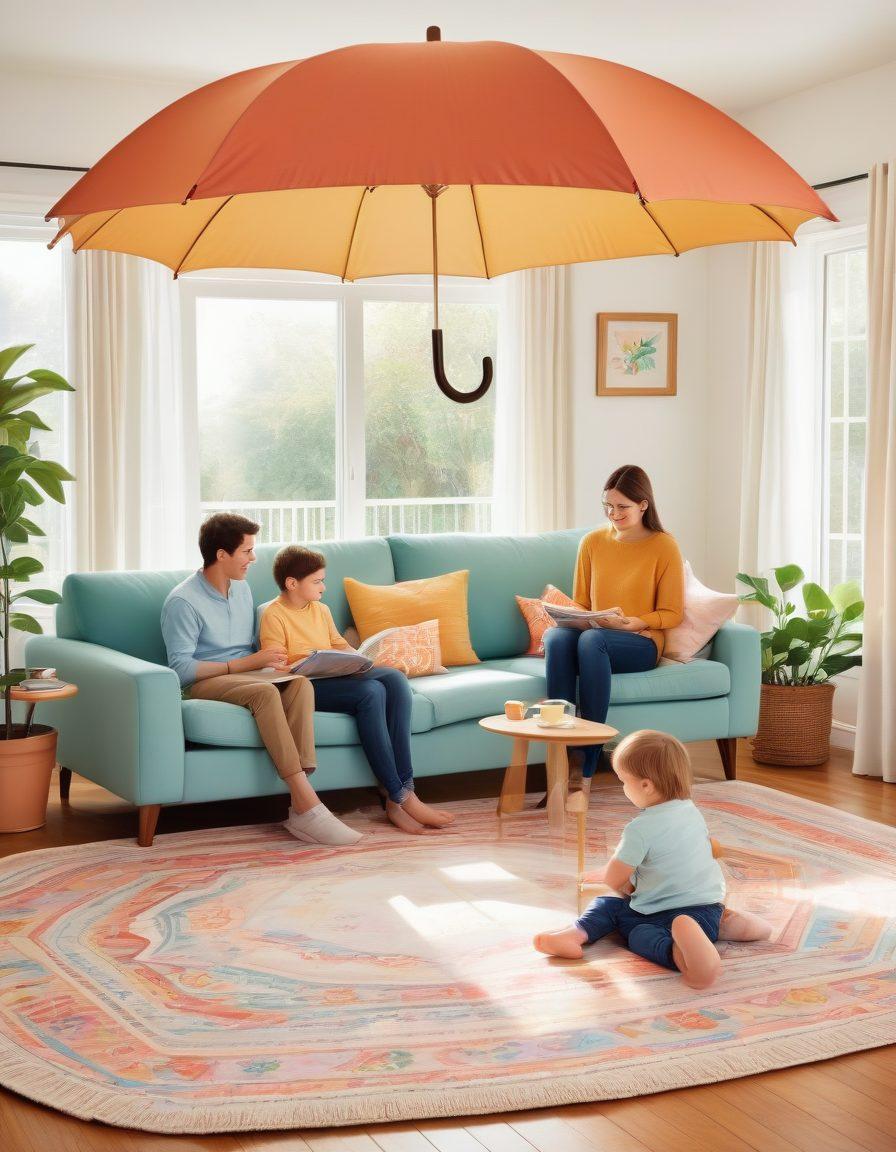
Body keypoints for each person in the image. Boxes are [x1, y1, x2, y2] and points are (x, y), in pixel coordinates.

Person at [161, 513, 361, 846]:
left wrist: (274, 659)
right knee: (264, 694)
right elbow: (181, 669)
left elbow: (253, 646)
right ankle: (308, 804)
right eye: (247, 551)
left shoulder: (241, 588)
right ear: (221, 555)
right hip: (204, 682)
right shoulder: (183, 601)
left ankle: (301, 804)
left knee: (299, 684)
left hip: (249, 673)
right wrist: (247, 664)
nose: (254, 558)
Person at [533, 730, 769, 988]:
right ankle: (726, 926)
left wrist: (617, 879)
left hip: (655, 914)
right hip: (706, 907)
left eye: (624, 781)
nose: (623, 788)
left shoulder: (639, 830)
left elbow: (614, 879)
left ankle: (581, 936)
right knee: (700, 920)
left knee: (622, 919)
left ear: (646, 785)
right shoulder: (691, 811)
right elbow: (673, 857)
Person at [259, 545, 454, 835]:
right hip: (306, 686)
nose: (324, 587)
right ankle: (400, 796)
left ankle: (403, 794)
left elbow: (340, 646)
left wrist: (363, 660)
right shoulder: (273, 615)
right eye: (317, 581)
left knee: (395, 679)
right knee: (372, 692)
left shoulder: (321, 609)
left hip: (334, 675)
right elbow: (275, 666)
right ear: (292, 583)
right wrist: (306, 662)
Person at [545, 464, 684, 780]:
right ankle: (561, 752)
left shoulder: (664, 546)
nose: (613, 513)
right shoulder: (592, 542)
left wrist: (637, 623)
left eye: (622, 507)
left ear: (643, 505)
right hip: (595, 634)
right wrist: (574, 618)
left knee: (592, 641)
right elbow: (581, 603)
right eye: (608, 506)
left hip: (641, 642)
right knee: (557, 638)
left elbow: (672, 612)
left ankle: (590, 755)